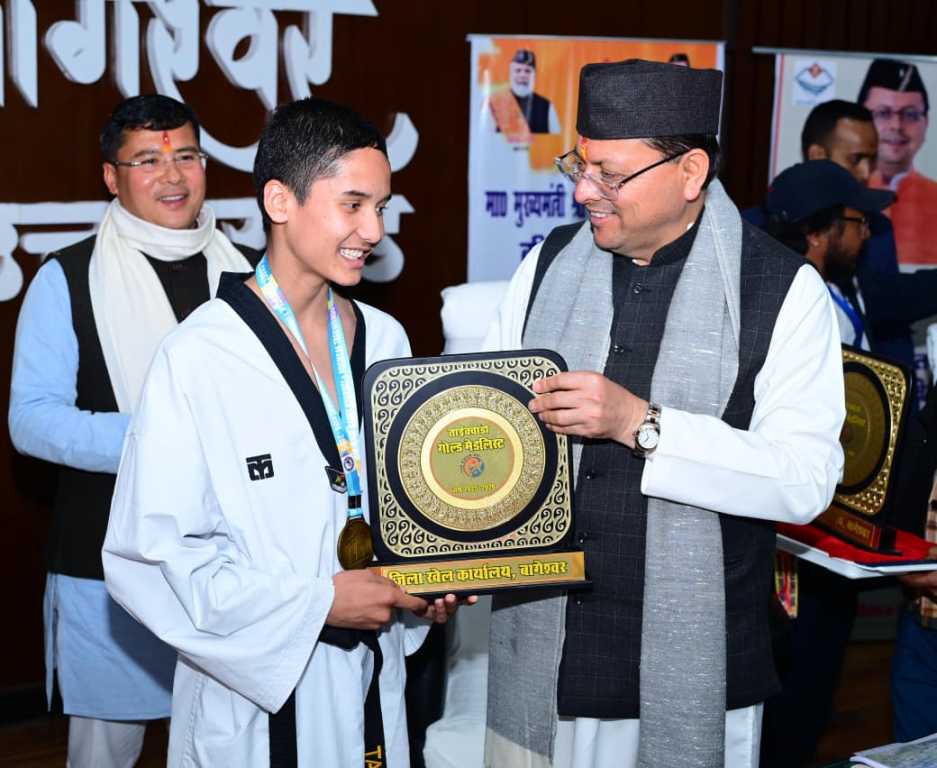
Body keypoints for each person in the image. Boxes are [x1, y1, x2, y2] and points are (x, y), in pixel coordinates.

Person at [483, 59, 845, 768]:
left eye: (610, 175)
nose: (583, 191)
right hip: (543, 650)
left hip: (695, 661)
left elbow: (804, 481)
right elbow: (490, 424)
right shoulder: (547, 266)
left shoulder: (781, 289)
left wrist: (641, 425)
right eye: (580, 165)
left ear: (689, 172)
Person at [102, 97, 468, 766]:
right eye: (352, 205)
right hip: (251, 702)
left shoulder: (386, 340)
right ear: (280, 200)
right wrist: (316, 605)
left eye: (381, 207)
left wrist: (418, 586)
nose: (373, 230)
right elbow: (150, 559)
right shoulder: (199, 355)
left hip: (370, 677)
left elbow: (401, 507)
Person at [7, 94, 256, 768]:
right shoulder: (67, 276)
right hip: (108, 565)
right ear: (111, 178)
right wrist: (161, 440)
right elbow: (32, 421)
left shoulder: (250, 275)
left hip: (233, 561)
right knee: (106, 753)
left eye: (186, 156)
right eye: (147, 161)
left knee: (226, 746)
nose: (172, 176)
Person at [756, 159, 894, 767]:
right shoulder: (805, 309)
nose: (865, 236)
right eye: (857, 223)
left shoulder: (832, 291)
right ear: (818, 231)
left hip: (833, 528)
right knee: (799, 690)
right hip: (805, 539)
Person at [764, 159, 894, 349]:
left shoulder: (834, 285)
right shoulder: (798, 310)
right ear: (816, 234)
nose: (866, 233)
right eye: (861, 222)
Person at [860, 58, 937, 266]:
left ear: (926, 122)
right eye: (883, 113)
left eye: (910, 114)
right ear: (862, 120)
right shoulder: (841, 198)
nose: (896, 125)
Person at [489, 49, 561, 140]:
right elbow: (487, 139)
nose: (522, 75)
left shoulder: (546, 106)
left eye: (527, 71)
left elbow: (556, 140)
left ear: (534, 74)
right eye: (518, 70)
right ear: (510, 73)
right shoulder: (496, 104)